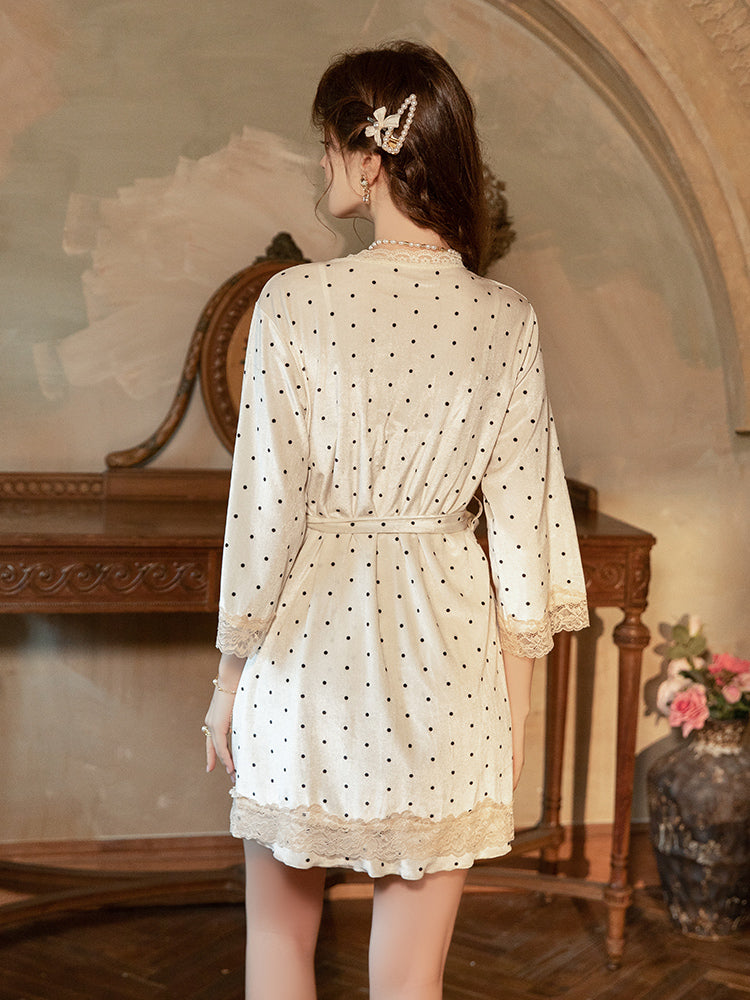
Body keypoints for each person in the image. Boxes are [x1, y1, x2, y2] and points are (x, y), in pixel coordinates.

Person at [203, 41, 588, 1000]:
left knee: (279, 950)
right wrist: (517, 714)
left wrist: (227, 684)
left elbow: (264, 516)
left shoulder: (292, 302)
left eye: (328, 146)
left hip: (307, 661)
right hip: (451, 673)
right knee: (413, 981)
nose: (320, 165)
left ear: (368, 158)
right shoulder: (506, 319)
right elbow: (526, 538)